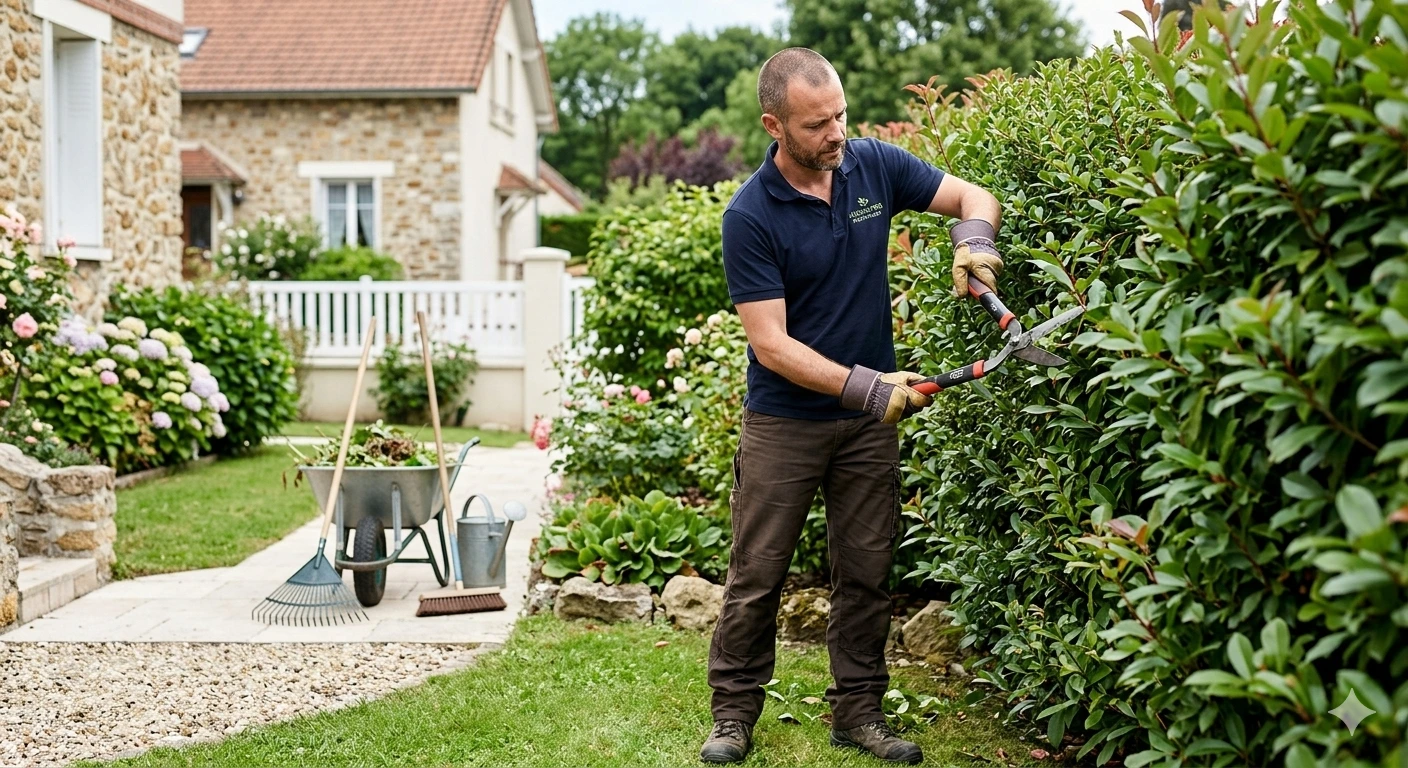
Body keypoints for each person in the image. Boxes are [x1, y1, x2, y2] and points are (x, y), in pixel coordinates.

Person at [700, 47, 1004, 765]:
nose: (836, 133)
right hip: (785, 423)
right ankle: (734, 715)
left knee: (866, 571)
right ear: (775, 125)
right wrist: (870, 387)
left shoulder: (872, 165)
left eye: (839, 114)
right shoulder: (750, 216)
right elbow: (770, 344)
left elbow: (973, 196)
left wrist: (974, 243)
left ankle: (858, 714)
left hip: (868, 423)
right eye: (816, 124)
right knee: (758, 575)